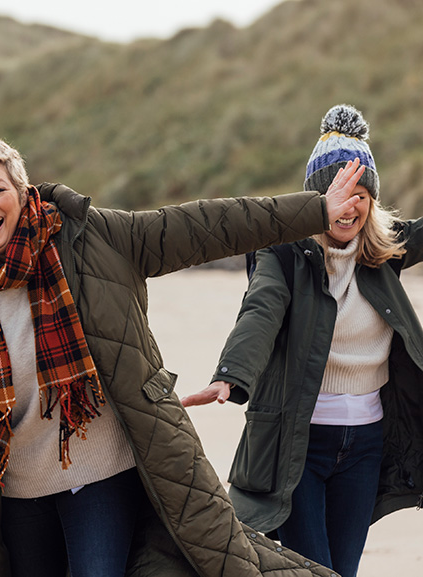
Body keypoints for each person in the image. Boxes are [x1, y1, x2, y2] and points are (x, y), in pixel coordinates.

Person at [0, 135, 366, 577]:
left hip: (101, 475)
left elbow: (208, 226)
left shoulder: (95, 238)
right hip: (14, 493)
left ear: (23, 191)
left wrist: (314, 212)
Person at [181, 104, 423, 577]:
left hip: (368, 443)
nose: (348, 205)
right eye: (337, 192)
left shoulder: (385, 250)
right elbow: (260, 311)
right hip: (297, 441)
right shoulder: (285, 254)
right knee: (312, 571)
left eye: (360, 193)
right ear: (314, 198)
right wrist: (230, 374)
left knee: (342, 570)